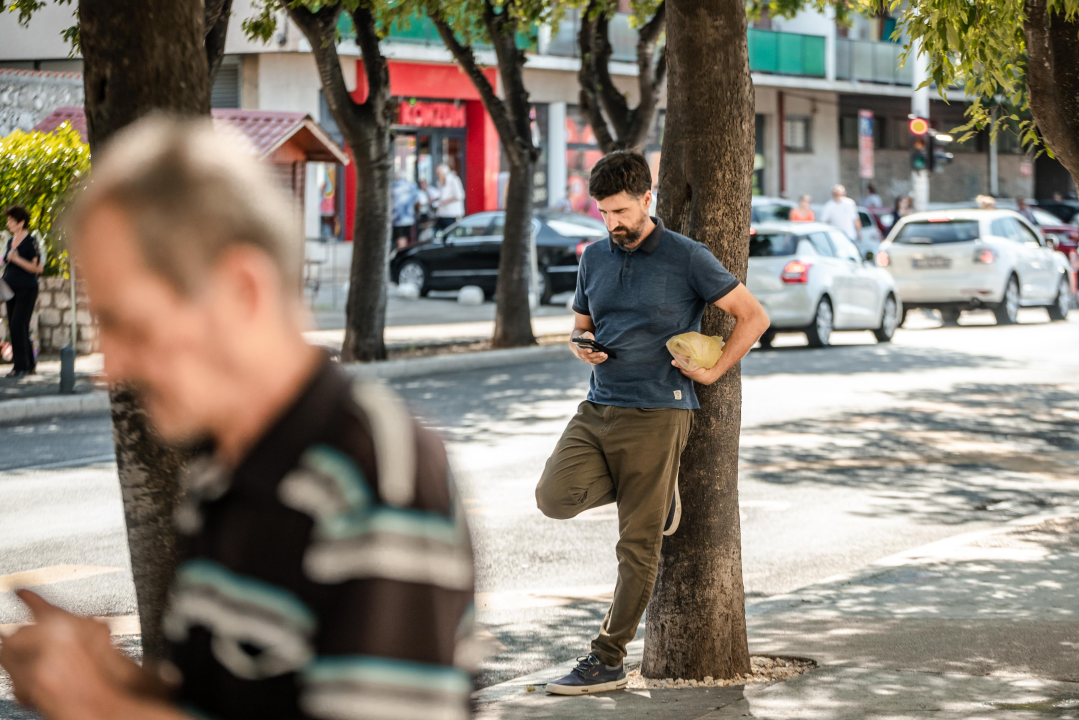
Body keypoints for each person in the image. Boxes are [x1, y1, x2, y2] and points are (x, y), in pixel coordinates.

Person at [0, 117, 475, 720]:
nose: (110, 366)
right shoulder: (222, 467)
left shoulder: (372, 473)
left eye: (129, 323)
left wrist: (103, 709)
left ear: (242, 291)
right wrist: (122, 684)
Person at [536, 151, 770, 696]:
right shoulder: (594, 257)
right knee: (553, 497)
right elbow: (580, 327)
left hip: (659, 411)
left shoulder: (688, 258)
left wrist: (712, 374)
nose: (612, 223)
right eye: (603, 213)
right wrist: (581, 348)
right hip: (598, 406)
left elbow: (753, 316)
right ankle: (656, 494)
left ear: (647, 199)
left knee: (635, 546)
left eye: (620, 211)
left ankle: (607, 659)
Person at [3, 205, 43, 378]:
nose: (8, 224)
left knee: (18, 324)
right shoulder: (9, 241)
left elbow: (38, 268)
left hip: (27, 289)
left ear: (21, 222)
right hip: (10, 289)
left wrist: (17, 259)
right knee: (16, 326)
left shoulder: (31, 241)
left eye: (11, 220)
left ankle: (20, 367)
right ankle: (30, 365)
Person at [390, 171, 419, 250]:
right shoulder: (412, 186)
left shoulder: (393, 187)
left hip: (396, 218)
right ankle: (402, 255)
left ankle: (401, 255)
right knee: (404, 238)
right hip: (408, 218)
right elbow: (417, 201)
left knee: (400, 237)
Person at [433, 163, 464, 232]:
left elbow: (459, 196)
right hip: (442, 214)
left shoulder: (454, 180)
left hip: (452, 214)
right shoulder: (439, 182)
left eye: (439, 173)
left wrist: (445, 202)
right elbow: (442, 196)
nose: (437, 175)